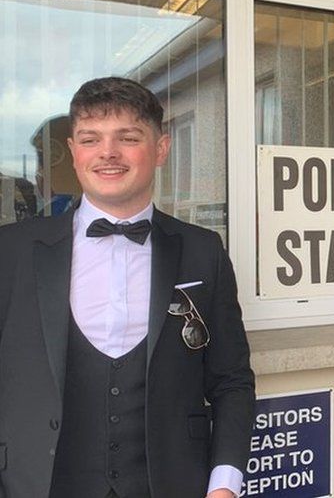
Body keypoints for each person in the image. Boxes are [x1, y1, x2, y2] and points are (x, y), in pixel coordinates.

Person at [0, 77, 255, 498]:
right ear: (75, 152)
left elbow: (231, 381)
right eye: (90, 139)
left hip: (174, 484)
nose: (108, 153)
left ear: (160, 149)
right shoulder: (11, 250)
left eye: (128, 137)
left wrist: (225, 484)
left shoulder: (202, 250)